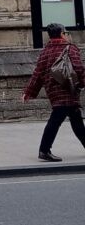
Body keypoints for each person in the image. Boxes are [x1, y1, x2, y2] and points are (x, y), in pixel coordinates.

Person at [22, 23, 85, 161]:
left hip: (54, 91)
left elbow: (37, 73)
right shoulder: (70, 48)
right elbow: (79, 68)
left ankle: (44, 150)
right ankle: (44, 150)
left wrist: (28, 92)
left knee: (76, 120)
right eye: (66, 33)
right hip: (68, 89)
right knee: (56, 120)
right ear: (62, 34)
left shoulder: (45, 51)